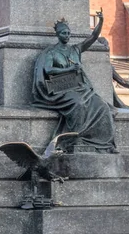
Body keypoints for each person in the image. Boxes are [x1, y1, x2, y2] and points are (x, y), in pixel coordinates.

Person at [32, 11, 116, 153]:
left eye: (69, 33)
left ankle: (103, 143)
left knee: (103, 106)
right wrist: (70, 68)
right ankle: (74, 140)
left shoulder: (75, 50)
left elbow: (93, 37)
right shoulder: (51, 52)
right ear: (58, 35)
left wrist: (100, 21)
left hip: (79, 87)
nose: (67, 36)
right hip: (60, 88)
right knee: (78, 104)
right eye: (64, 33)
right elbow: (48, 69)